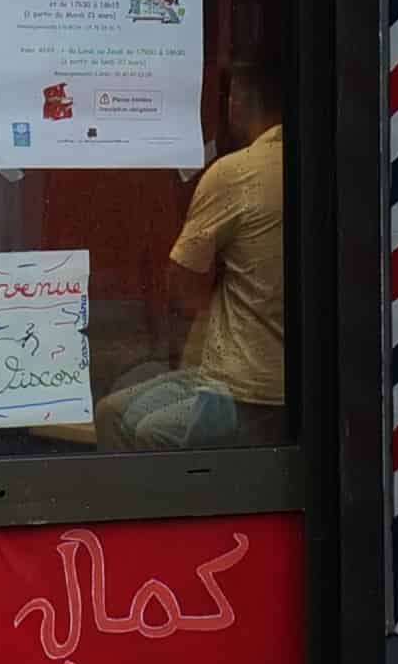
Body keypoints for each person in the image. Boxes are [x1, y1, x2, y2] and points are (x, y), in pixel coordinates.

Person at [106, 70, 284, 447]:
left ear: (236, 102)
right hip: (242, 377)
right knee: (114, 410)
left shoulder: (238, 172)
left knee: (146, 431)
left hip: (240, 389)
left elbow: (182, 282)